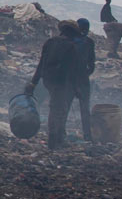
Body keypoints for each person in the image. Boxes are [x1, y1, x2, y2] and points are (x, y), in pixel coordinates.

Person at [26, 21, 85, 150]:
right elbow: (72, 71)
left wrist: (33, 83)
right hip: (61, 82)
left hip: (48, 80)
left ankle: (57, 139)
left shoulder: (50, 42)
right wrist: (76, 89)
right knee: (58, 110)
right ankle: (53, 142)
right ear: (71, 33)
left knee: (57, 108)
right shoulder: (71, 47)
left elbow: (41, 64)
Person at [70, 18, 95, 139]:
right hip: (83, 79)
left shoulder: (68, 41)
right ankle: (87, 135)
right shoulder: (89, 42)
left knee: (64, 107)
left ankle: (60, 134)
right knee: (85, 108)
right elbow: (91, 65)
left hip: (68, 78)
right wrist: (85, 75)